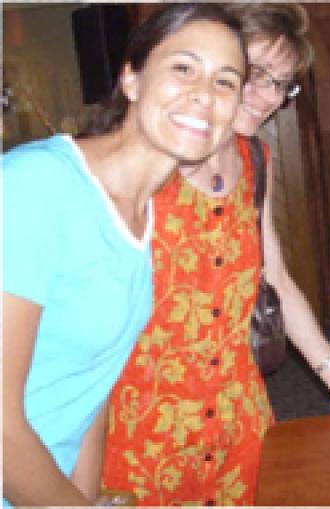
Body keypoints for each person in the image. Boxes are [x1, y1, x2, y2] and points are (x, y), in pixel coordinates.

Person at [100, 3, 330, 506]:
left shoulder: (255, 158)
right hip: (141, 432)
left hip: (239, 421)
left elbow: (277, 278)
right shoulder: (136, 166)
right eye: (256, 75)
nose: (269, 97)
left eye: (283, 83)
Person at [2, 4, 248, 506]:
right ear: (131, 79)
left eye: (226, 82)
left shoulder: (146, 213)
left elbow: (96, 382)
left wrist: (86, 496)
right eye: (183, 68)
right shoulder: (33, 186)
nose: (204, 94)